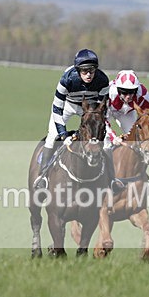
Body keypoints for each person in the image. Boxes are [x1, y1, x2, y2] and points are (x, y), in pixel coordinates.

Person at [33, 48, 121, 191]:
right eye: (84, 71)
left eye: (91, 71)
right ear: (77, 70)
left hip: (90, 108)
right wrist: (63, 134)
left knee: (106, 142)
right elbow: (57, 109)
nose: (88, 75)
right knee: (51, 136)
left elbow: (101, 109)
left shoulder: (102, 80)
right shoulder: (67, 79)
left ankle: (112, 179)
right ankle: (42, 175)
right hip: (67, 106)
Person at [105, 69, 149, 144]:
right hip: (108, 111)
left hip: (127, 113)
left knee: (134, 140)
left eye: (132, 92)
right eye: (124, 92)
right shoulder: (108, 93)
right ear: (118, 90)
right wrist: (113, 137)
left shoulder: (143, 95)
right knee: (105, 141)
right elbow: (100, 121)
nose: (128, 96)